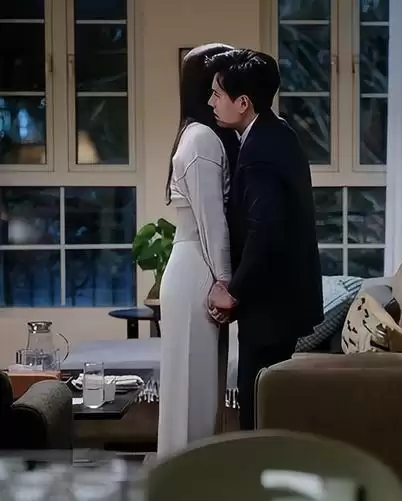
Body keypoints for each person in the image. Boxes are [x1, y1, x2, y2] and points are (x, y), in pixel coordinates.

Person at [205, 49, 324, 430]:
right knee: (268, 407)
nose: (211, 102)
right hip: (282, 300)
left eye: (217, 94)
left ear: (243, 103)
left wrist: (234, 291)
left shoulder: (259, 151)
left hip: (271, 306)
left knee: (256, 412)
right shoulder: (278, 131)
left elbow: (266, 230)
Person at [157, 43, 240, 458]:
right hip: (197, 270)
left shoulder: (194, 135)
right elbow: (213, 223)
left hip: (192, 265)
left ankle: (186, 475)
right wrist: (224, 281)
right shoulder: (203, 139)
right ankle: (187, 477)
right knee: (194, 396)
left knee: (195, 394)